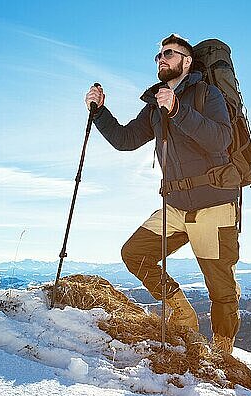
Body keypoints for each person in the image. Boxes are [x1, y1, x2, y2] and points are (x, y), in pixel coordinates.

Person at [84, 34, 240, 354]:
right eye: (158, 56)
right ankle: (180, 310)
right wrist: (100, 112)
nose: (161, 59)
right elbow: (125, 139)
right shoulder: (156, 104)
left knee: (221, 288)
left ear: (187, 60)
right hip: (174, 206)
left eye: (169, 54)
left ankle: (223, 354)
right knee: (134, 254)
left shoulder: (206, 94)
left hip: (213, 204)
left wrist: (178, 109)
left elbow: (220, 139)